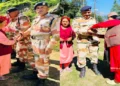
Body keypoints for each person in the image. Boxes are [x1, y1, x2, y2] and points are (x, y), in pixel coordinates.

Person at [21, 2, 60, 86]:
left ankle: (42, 80)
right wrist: (23, 34)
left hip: (42, 43)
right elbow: (32, 29)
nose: (40, 9)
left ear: (47, 9)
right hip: (32, 42)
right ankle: (35, 74)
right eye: (37, 8)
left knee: (42, 62)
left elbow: (56, 34)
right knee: (33, 60)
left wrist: (50, 46)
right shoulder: (36, 18)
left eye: (42, 7)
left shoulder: (53, 18)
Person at [89, 14, 120, 85]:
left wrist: (92, 27)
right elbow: (107, 36)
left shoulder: (116, 21)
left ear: (113, 17)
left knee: (117, 62)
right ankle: (115, 76)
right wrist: (97, 35)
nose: (108, 19)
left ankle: (117, 80)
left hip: (117, 45)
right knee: (115, 62)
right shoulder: (114, 26)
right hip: (114, 45)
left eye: (108, 18)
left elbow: (102, 24)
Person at [72, 6, 101, 78]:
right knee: (81, 55)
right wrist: (87, 31)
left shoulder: (94, 19)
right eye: (85, 12)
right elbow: (75, 30)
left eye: (89, 12)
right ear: (82, 13)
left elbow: (97, 29)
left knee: (94, 54)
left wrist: (97, 36)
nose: (87, 14)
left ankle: (95, 68)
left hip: (93, 40)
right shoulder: (77, 20)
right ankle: (82, 69)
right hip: (82, 40)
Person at [6, 7, 27, 72]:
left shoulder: (22, 18)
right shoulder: (13, 19)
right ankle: (18, 62)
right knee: (16, 51)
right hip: (15, 38)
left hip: (22, 38)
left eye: (9, 13)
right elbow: (10, 26)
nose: (8, 15)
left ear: (15, 12)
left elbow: (24, 29)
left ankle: (22, 66)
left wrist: (15, 34)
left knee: (21, 52)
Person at [0, 16, 16, 80]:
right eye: (5, 22)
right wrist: (14, 40)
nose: (6, 23)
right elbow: (6, 42)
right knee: (3, 63)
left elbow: (7, 28)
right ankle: (1, 76)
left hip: (2, 51)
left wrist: (14, 30)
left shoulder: (1, 28)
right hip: (2, 52)